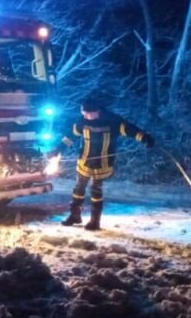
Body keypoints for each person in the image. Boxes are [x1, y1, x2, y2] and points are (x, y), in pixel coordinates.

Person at [50, 97, 155, 230]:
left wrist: (145, 138)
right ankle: (75, 216)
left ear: (97, 111)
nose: (86, 116)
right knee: (78, 189)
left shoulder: (112, 121)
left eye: (89, 113)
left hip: (102, 164)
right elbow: (70, 137)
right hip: (84, 162)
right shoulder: (82, 122)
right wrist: (58, 149)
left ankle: (95, 221)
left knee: (96, 191)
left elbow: (130, 130)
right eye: (84, 113)